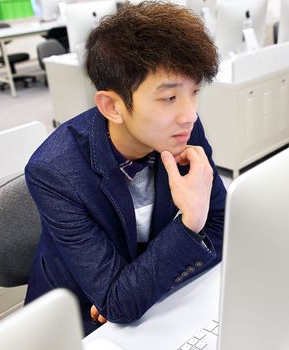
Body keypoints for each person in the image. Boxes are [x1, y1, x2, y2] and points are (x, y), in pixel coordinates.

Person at [23, 1, 226, 335]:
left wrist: (139, 288)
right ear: (112, 106)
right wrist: (190, 223)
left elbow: (220, 229)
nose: (189, 113)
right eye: (169, 98)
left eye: (195, 91)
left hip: (150, 303)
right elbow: (118, 304)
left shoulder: (182, 130)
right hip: (76, 322)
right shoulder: (54, 172)